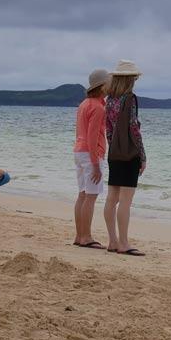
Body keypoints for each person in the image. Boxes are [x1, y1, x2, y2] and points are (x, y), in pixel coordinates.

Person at [104, 60, 146, 256]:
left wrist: (112, 146)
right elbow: (134, 129)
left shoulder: (110, 99)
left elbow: (109, 129)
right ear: (130, 79)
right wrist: (142, 155)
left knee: (112, 198)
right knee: (126, 201)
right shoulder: (130, 98)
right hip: (129, 154)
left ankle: (112, 241)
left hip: (114, 153)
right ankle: (124, 242)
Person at [73, 68, 111, 249]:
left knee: (82, 194)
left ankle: (79, 235)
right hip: (90, 153)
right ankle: (86, 236)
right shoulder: (98, 107)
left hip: (79, 152)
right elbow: (93, 136)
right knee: (91, 195)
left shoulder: (84, 104)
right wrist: (96, 164)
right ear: (103, 86)